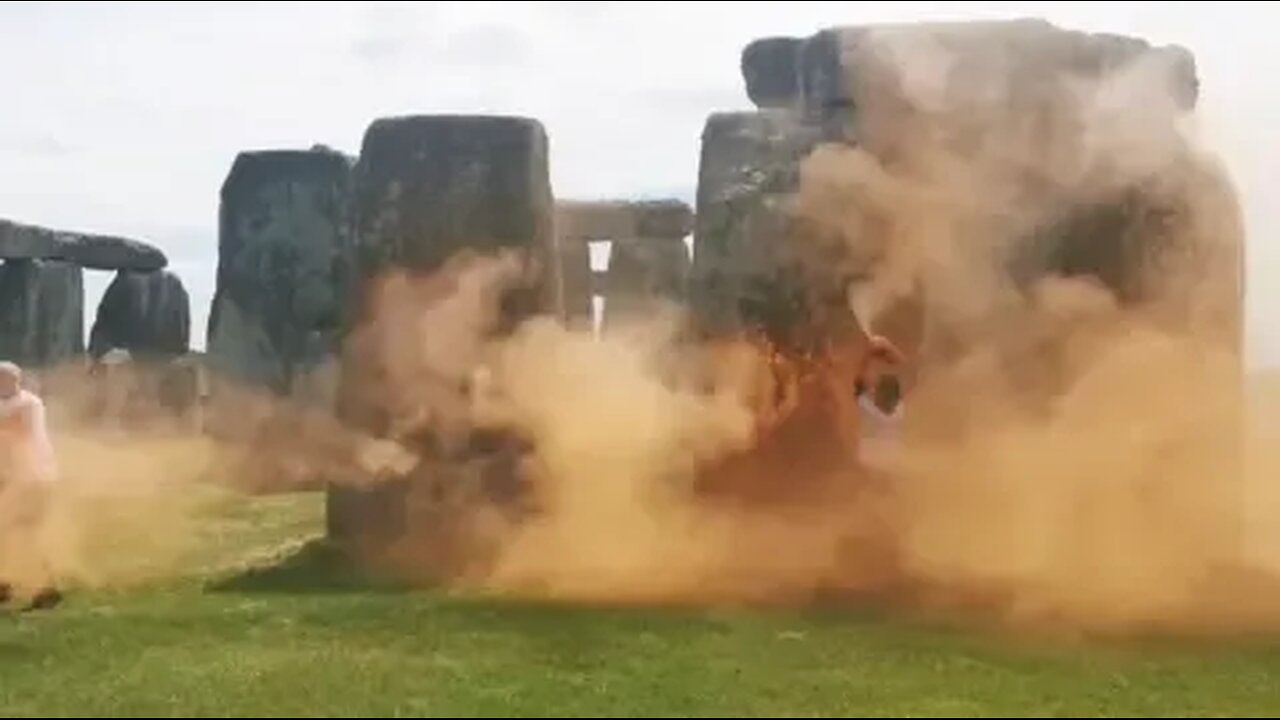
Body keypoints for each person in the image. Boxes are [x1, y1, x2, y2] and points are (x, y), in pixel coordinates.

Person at [0, 361, 62, 610]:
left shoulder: (28, 404)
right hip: (10, 478)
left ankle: (47, 587)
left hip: (32, 478)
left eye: (6, 379)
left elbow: (17, 432)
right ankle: (4, 584)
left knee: (25, 534)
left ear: (17, 381)